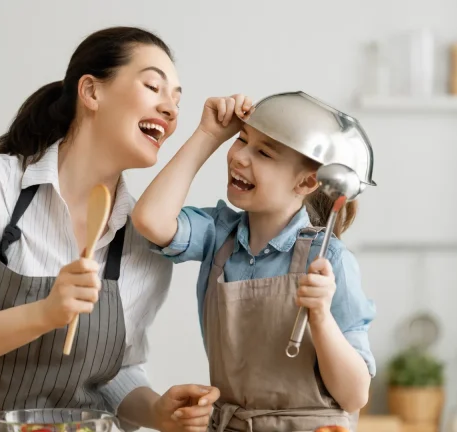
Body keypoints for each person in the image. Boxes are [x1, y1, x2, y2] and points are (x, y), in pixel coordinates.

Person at [0, 26, 220, 432]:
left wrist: (158, 411)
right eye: (153, 87)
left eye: (177, 100)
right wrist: (44, 313)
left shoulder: (143, 242)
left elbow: (115, 371)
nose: (171, 109)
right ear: (91, 92)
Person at [131, 93, 377, 431]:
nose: (239, 157)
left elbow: (354, 395)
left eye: (263, 153)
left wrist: (319, 316)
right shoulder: (218, 236)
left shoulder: (330, 259)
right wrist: (208, 136)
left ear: (306, 181)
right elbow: (150, 220)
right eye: (242, 139)